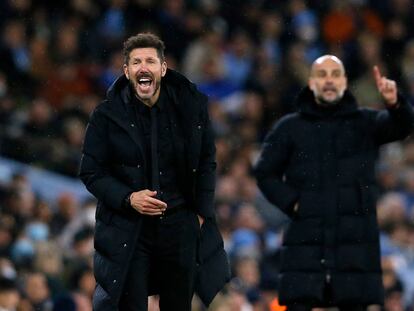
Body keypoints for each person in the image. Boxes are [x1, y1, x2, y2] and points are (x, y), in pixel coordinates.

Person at [79, 32, 229, 311]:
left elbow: (207, 161)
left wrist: (200, 213)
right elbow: (90, 171)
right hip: (129, 228)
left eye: (150, 60)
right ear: (126, 71)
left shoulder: (191, 107)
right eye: (136, 62)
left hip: (180, 224)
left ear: (163, 67)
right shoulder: (106, 115)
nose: (143, 67)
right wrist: (128, 197)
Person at [254, 55, 414, 311]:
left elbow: (402, 127)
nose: (329, 80)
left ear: (345, 81)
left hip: (354, 246)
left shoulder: (365, 122)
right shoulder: (289, 127)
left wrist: (396, 104)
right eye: (322, 74)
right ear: (311, 82)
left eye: (335, 74)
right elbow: (264, 173)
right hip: (306, 242)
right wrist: (294, 203)